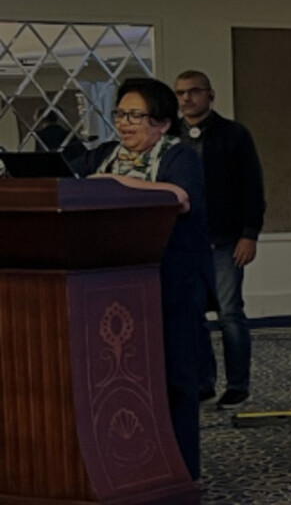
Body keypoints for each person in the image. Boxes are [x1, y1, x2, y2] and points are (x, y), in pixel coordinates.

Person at [65, 77, 212, 480]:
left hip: (171, 285)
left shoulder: (179, 156)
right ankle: (126, 464)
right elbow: (67, 185)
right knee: (117, 380)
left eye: (135, 115)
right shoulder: (104, 155)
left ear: (161, 123)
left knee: (173, 378)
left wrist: (113, 183)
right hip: (107, 288)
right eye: (120, 114)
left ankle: (181, 472)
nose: (124, 123)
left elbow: (180, 197)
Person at [174, 71, 266, 408]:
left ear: (210, 95)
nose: (187, 98)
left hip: (226, 241)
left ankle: (238, 385)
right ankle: (203, 383)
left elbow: (252, 187)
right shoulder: (169, 137)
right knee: (192, 316)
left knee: (229, 314)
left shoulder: (234, 135)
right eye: (180, 93)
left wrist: (249, 235)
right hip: (184, 242)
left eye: (194, 91)